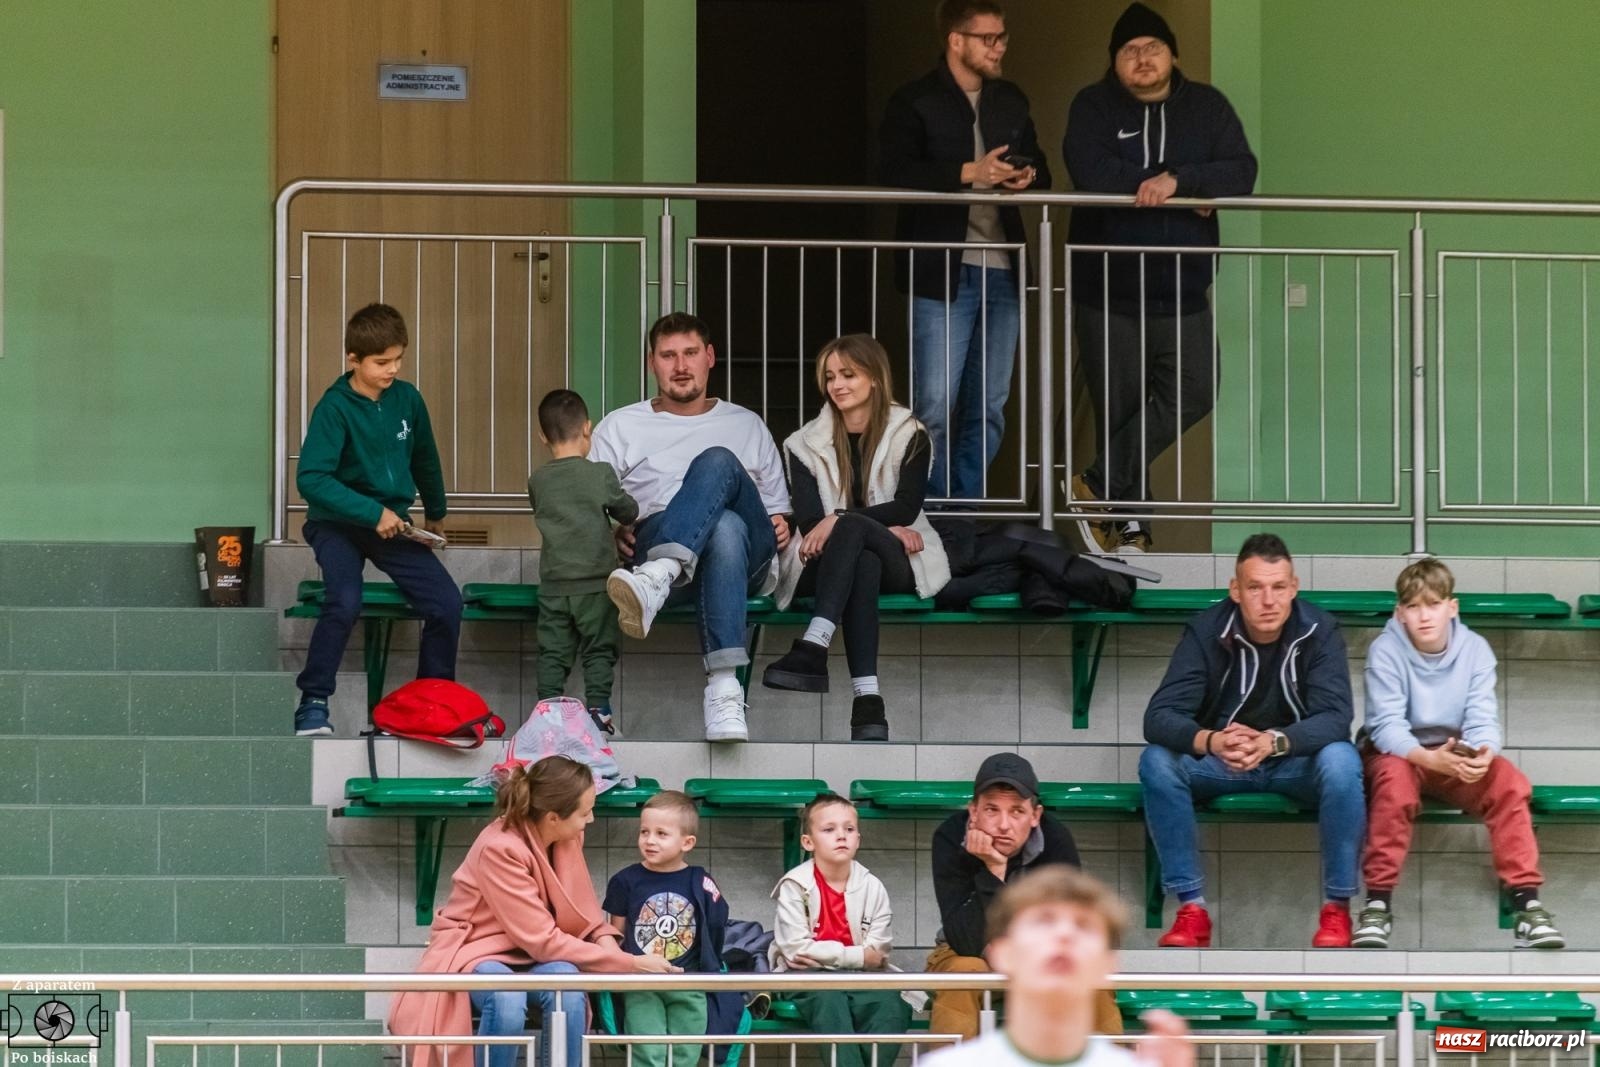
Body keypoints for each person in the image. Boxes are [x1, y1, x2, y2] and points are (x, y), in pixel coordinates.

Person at [1063, 2, 1258, 553]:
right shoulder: (1093, 106)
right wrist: (1177, 194)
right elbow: (1093, 173)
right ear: (1115, 62)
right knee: (1120, 408)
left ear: (1172, 54)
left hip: (1184, 287)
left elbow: (1241, 171)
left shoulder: (1208, 107)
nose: (1142, 58)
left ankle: (1098, 484)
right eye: (1130, 51)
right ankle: (1131, 528)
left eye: (1152, 47)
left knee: (1196, 390)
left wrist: (1182, 180)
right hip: (1109, 288)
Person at [1140, 534, 1364, 949]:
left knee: (1342, 760)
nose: (1268, 600)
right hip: (1222, 764)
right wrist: (1213, 741)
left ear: (1294, 587)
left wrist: (1274, 742)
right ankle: (1192, 909)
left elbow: (1336, 718)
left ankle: (1337, 910)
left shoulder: (1319, 629)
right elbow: (1158, 718)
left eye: (1279, 587)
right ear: (1235, 590)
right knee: (1157, 761)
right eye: (1255, 587)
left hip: (1294, 764)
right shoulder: (1206, 630)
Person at [387, 755, 678, 1067]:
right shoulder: (499, 847)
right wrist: (630, 964)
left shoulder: (566, 834)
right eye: (585, 812)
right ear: (553, 817)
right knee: (506, 997)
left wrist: (614, 954)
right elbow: (543, 940)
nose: (590, 819)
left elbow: (585, 913)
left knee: (568, 987)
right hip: (477, 952)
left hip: (537, 953)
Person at [592, 311, 793, 743]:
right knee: (721, 526)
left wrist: (782, 525)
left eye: (689, 353)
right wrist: (610, 532)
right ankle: (724, 691)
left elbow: (777, 511)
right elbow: (591, 504)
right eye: (668, 356)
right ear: (652, 363)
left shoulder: (746, 424)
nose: (680, 366)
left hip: (746, 561)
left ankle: (657, 577)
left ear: (710, 357)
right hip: (656, 534)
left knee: (719, 462)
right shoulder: (621, 425)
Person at [879, 0, 1051, 502]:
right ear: (956, 41)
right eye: (989, 38)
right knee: (934, 405)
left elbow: (1043, 167)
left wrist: (1026, 176)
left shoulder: (1011, 100)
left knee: (990, 406)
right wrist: (967, 173)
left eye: (1002, 37)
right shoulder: (914, 99)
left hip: (1004, 268)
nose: (1000, 47)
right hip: (939, 271)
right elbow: (893, 169)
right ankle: (932, 512)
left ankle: (965, 510)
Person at [1353, 558, 1564, 950]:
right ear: (1400, 613)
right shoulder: (1385, 650)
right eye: (1413, 607)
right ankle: (1377, 906)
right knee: (1395, 787)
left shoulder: (1475, 650)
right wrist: (1426, 758)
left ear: (1452, 607)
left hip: (1453, 755)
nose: (1424, 616)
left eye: (1432, 604)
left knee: (1508, 782)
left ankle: (1527, 905)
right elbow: (1386, 727)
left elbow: (1483, 718)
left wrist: (1483, 753)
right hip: (1398, 754)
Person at [761, 335, 951, 741]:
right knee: (860, 556)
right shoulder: (803, 443)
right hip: (822, 561)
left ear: (876, 379)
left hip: (900, 558)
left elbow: (905, 508)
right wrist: (859, 525)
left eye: (849, 374)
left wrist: (846, 520)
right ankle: (868, 701)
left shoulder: (910, 433)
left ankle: (814, 645)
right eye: (829, 376)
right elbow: (812, 521)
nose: (837, 385)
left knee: (852, 531)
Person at [293, 302, 462, 736]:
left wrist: (436, 514)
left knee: (446, 603)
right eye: (381, 362)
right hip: (337, 525)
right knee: (344, 601)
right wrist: (372, 512)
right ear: (353, 359)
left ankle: (433, 702)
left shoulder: (408, 399)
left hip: (395, 526)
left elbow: (426, 457)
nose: (392, 369)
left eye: (398, 359)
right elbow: (311, 478)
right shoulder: (334, 408)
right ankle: (313, 702)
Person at [927, 753, 1122, 1037]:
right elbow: (963, 937)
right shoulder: (949, 836)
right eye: (992, 810)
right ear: (974, 812)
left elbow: (1069, 922)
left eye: (1017, 811)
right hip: (965, 950)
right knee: (962, 973)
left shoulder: (1055, 840)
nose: (1004, 825)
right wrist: (993, 870)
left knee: (1093, 985)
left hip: (1041, 950)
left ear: (1035, 816)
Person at [768, 793, 912, 1067]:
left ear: (858, 838)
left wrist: (830, 955)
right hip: (806, 979)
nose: (841, 836)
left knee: (892, 1007)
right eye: (829, 829)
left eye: (849, 829)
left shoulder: (873, 886)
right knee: (830, 1001)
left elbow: (878, 952)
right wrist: (858, 956)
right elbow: (797, 950)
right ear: (808, 842)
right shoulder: (795, 885)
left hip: (862, 978)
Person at [528, 388, 639, 723]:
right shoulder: (600, 473)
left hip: (554, 585)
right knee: (599, 649)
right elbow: (628, 511)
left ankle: (547, 711)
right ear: (587, 428)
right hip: (595, 584)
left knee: (553, 651)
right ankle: (598, 711)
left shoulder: (538, 481)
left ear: (542, 436)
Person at [603, 790, 737, 1067]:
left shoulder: (700, 880)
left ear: (687, 842)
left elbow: (715, 925)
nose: (649, 840)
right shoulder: (624, 880)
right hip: (641, 984)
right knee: (647, 1051)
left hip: (689, 983)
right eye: (644, 832)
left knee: (685, 1053)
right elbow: (616, 935)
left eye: (661, 834)